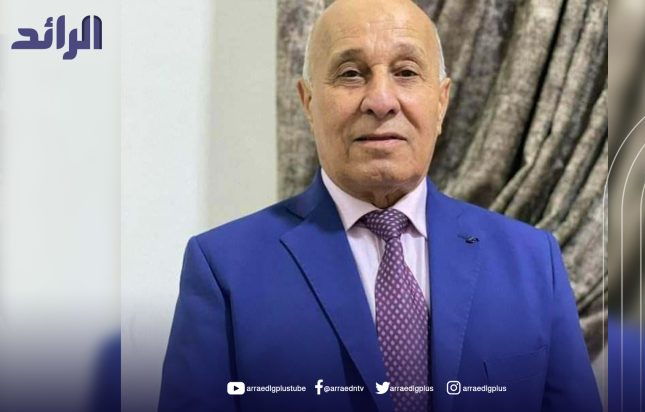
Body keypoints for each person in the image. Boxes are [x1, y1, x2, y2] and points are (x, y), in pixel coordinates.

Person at [158, 0, 602, 411]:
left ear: (442, 101)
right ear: (308, 102)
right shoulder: (224, 270)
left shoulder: (533, 261)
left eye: (406, 72)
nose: (381, 101)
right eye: (351, 74)